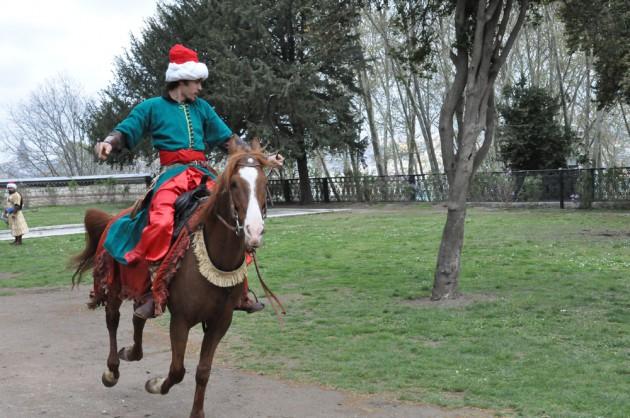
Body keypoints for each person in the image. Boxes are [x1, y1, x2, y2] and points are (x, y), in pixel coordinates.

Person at [94, 44, 282, 319]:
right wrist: (109, 143)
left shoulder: (202, 108)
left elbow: (230, 140)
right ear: (181, 80)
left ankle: (240, 290)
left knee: (233, 216)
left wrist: (262, 158)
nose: (200, 88)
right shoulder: (152, 108)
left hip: (205, 176)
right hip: (172, 176)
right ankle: (152, 289)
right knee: (159, 221)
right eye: (197, 82)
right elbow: (126, 130)